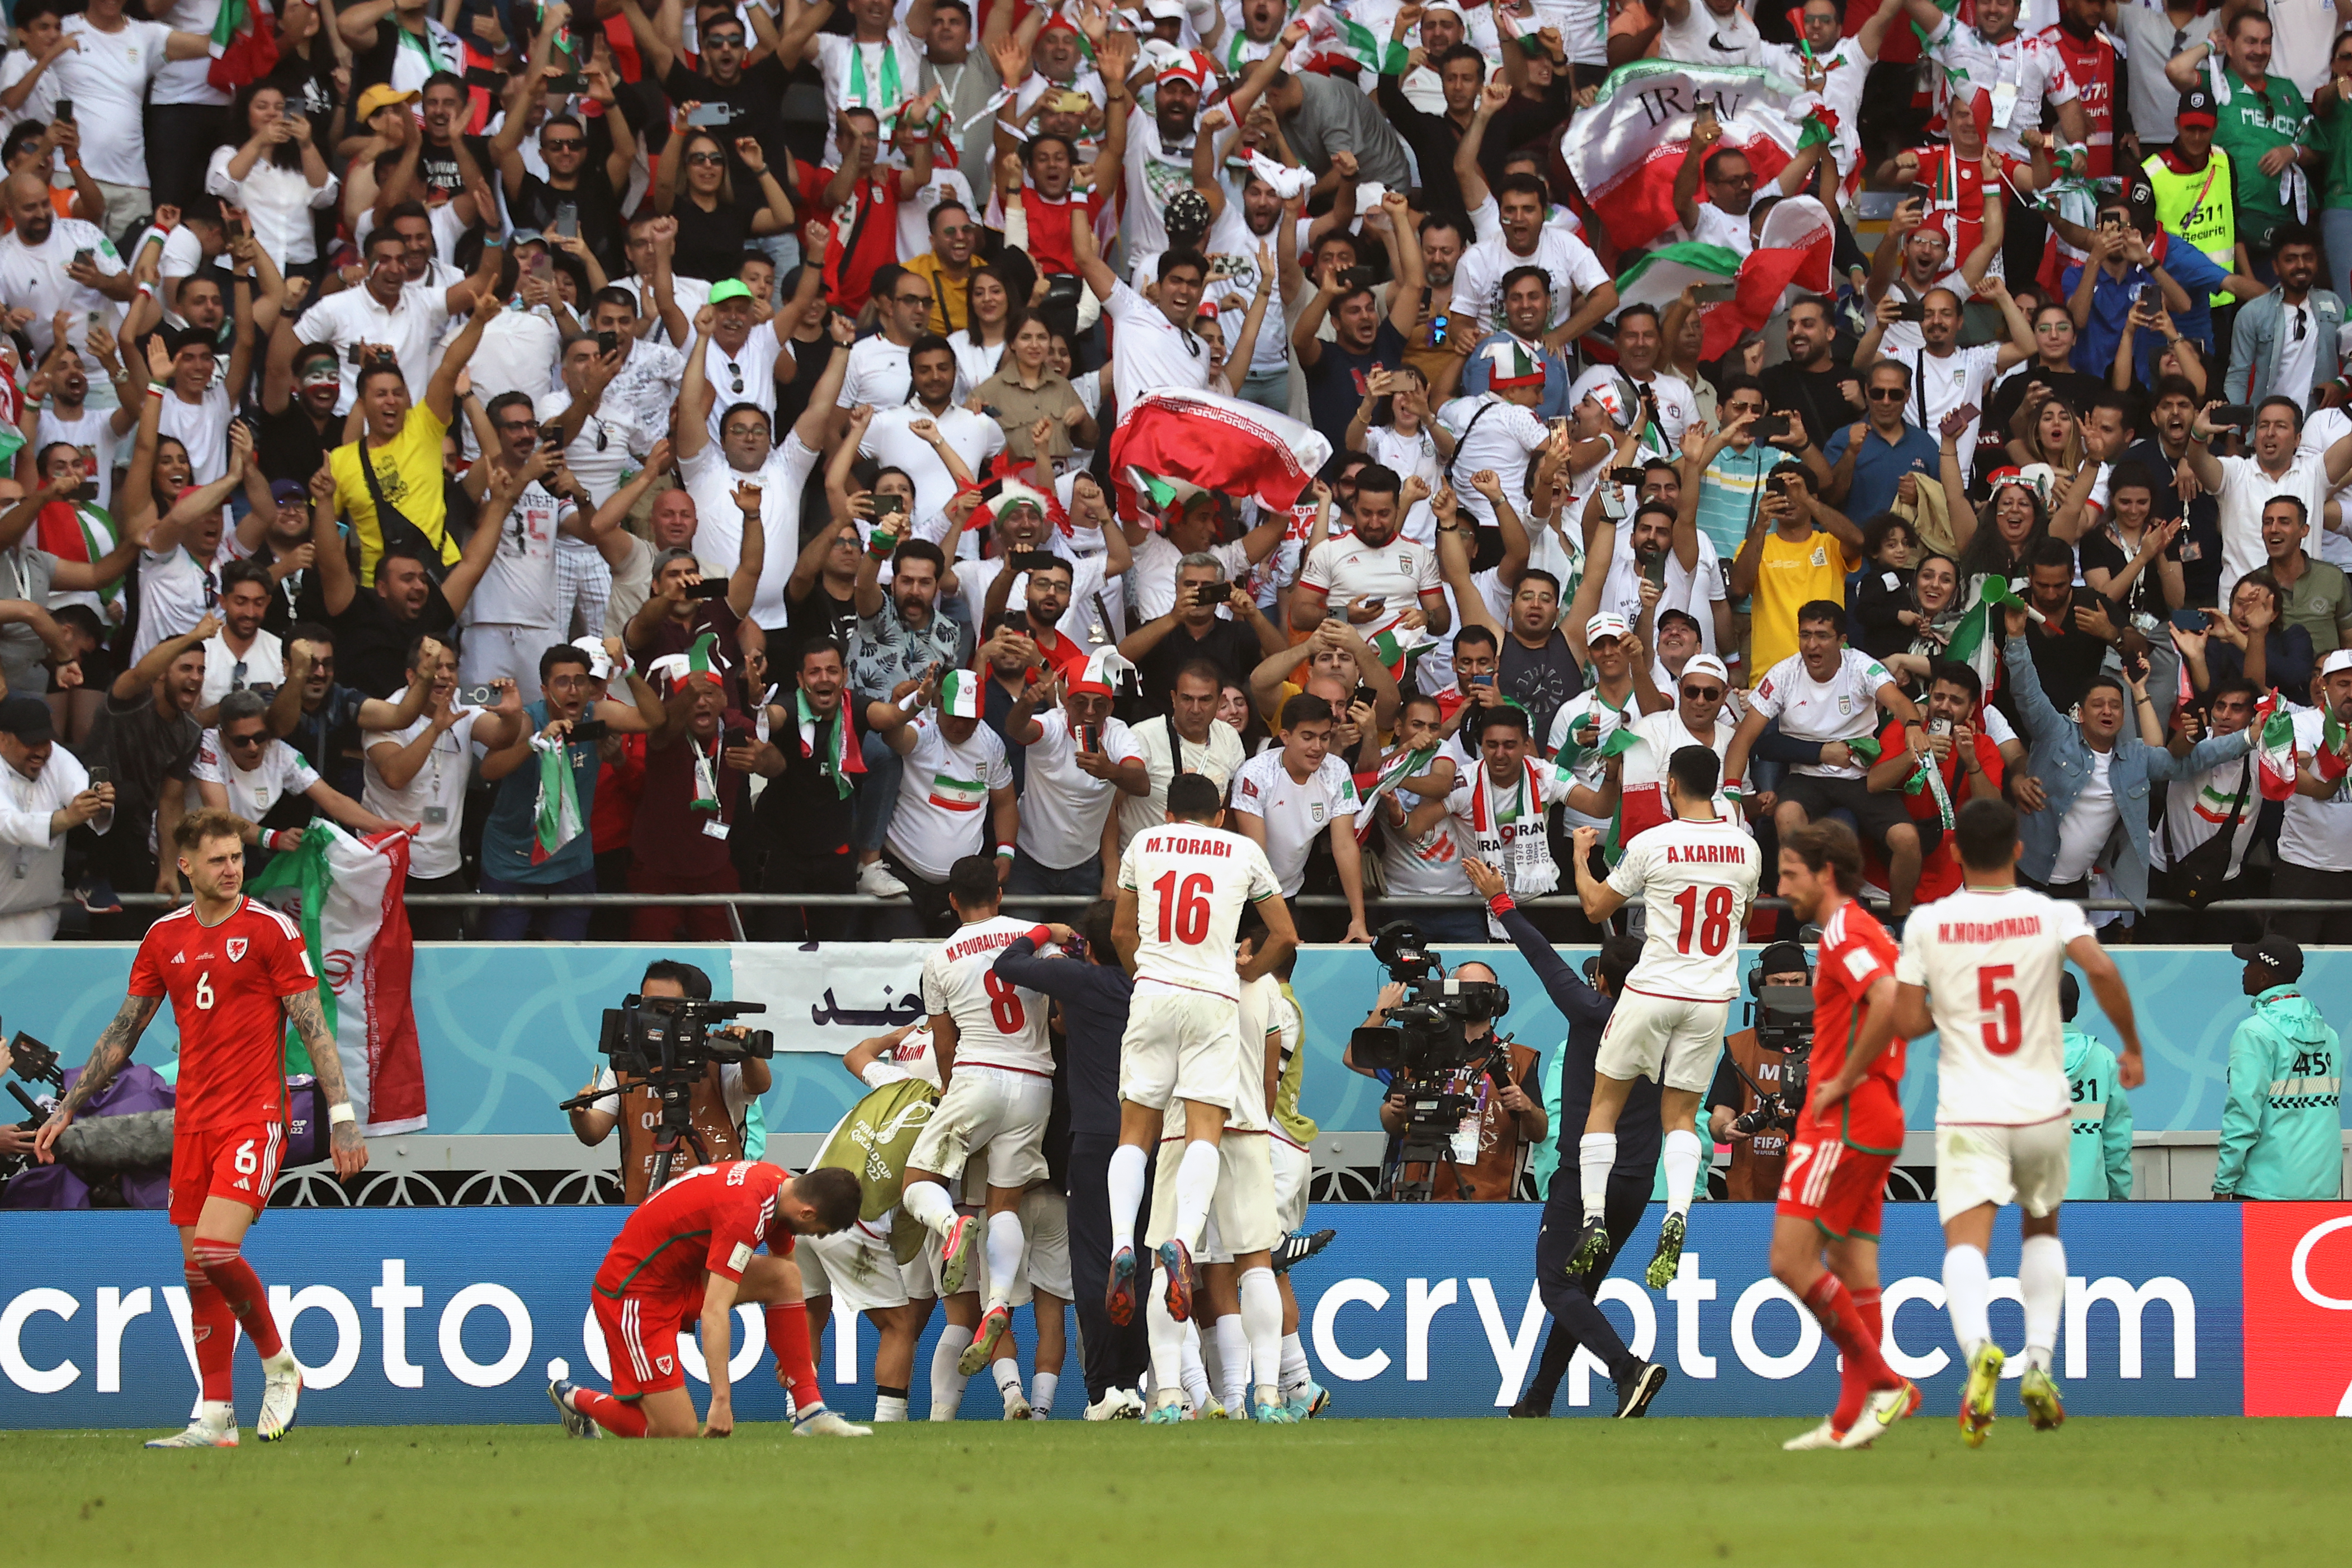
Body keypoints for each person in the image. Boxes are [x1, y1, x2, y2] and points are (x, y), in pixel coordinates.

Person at [33, 807, 365, 1448]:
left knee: (216, 1250)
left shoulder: (271, 929)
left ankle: (280, 1364)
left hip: (254, 1118)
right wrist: (69, 1103)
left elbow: (312, 1024)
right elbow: (124, 1030)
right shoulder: (164, 937)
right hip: (194, 1124)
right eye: (218, 860)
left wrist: (343, 1117)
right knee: (195, 1271)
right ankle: (216, 1415)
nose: (233, 869)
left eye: (237, 857)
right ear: (185, 865)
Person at [1891, 796, 2147, 1446]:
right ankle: (2039, 1360)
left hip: (1971, 1107)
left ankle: (1979, 1347)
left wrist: (1950, 1012)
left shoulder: (1929, 922)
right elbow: (2102, 968)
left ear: (1953, 854)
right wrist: (2133, 1047)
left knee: (1966, 1242)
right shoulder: (2051, 912)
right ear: (2018, 849)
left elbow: (1904, 1021)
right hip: (2041, 1104)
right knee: (2040, 1230)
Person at [1106, 771, 1299, 1423]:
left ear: (1166, 810)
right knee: (1256, 1265)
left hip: (1161, 1042)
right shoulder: (1258, 980)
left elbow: (1122, 932)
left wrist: (1147, 973)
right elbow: (1287, 937)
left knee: (1135, 1136)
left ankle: (1165, 1394)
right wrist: (1250, 964)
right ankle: (1268, 1396)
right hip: (1239, 1123)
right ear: (1219, 813)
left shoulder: (1147, 845)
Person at [1566, 744, 1761, 1288]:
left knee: (1604, 1103)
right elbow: (1743, 909)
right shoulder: (1746, 849)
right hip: (1709, 998)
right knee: (1680, 1116)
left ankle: (1593, 1218)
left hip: (1653, 987)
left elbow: (1596, 908)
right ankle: (1677, 1210)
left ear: (1671, 784)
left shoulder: (1653, 842)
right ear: (1716, 785)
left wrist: (1583, 857)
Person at [1767, 822, 1921, 1451]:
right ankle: (1846, 1425)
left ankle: (1889, 1384)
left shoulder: (1841, 929)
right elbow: (1906, 1006)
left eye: (1790, 874)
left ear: (1825, 872)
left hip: (1846, 1115)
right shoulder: (1872, 930)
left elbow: (1886, 999)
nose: (1782, 888)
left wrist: (1843, 1078)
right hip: (1878, 1112)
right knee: (1853, 1266)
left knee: (1789, 1260)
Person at [549, 1155, 867, 1440]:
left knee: (785, 1278)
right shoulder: (746, 1211)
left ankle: (810, 1411)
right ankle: (573, 1397)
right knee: (677, 1431)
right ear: (808, 1212)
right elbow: (714, 1311)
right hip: (634, 1294)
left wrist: (796, 1360)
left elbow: (784, 1274)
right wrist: (721, 1402)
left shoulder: (777, 1187)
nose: (816, 1237)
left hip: (682, 1278)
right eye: (820, 1231)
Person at [895, 856, 1059, 1386]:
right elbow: (1060, 1011)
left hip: (977, 1076)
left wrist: (952, 1097)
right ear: (1000, 893)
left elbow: (945, 1045)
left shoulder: (939, 957)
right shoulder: (1033, 937)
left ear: (951, 902)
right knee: (1004, 1203)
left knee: (919, 1181)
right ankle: (996, 1304)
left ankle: (950, 1226)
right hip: (1036, 1083)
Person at [991, 902, 1145, 1420]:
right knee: (1140, 1263)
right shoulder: (1152, 987)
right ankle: (1133, 1382)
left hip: (1097, 1140)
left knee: (1096, 1263)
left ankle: (1104, 1390)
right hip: (1150, 1137)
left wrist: (1047, 934)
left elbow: (1006, 965)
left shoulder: (1080, 979)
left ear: (1089, 948)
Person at [2000, 602, 2251, 912]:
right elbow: (2028, 693)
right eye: (2098, 705)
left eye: (2116, 705)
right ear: (2080, 712)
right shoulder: (2057, 733)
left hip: (2076, 889)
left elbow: (2194, 760)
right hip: (2020, 878)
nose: (2108, 711)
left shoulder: (2136, 758)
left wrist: (2250, 738)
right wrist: (2016, 638)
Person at [1727, 603, 1929, 918]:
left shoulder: (1861, 665)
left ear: (1842, 640)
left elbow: (1899, 701)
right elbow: (1744, 739)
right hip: (1807, 775)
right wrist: (1731, 794)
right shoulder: (1784, 673)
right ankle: (1808, 913)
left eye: (1823, 636)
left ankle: (1901, 921)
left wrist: (1913, 727)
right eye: (1805, 635)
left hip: (1860, 775)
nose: (1812, 645)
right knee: (1787, 816)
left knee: (1907, 839)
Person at [474, 639, 664, 941]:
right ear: (545, 690)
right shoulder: (526, 721)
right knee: (502, 958)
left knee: (567, 958)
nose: (573, 690)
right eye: (562, 683)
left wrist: (627, 668)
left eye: (580, 682)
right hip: (513, 861)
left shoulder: (598, 714)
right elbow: (488, 770)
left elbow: (654, 719)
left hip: (571, 862)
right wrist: (534, 744)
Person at [861, 669, 1018, 932]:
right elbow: (895, 737)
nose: (960, 725)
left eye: (970, 719)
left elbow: (1005, 802)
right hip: (902, 878)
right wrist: (907, 705)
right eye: (954, 715)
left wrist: (1006, 852)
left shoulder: (991, 744)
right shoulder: (924, 729)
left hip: (962, 886)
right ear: (939, 704)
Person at [1229, 694, 1373, 943]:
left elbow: (1345, 846)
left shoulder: (1337, 771)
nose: (1318, 747)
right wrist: (1283, 929)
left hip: (1290, 891)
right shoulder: (1255, 774)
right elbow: (1256, 856)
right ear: (1285, 737)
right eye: (1308, 737)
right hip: (1242, 895)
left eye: (1325, 737)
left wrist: (1358, 919)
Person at [2214, 935, 2345, 1200]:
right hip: (2325, 1190)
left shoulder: (2254, 1032)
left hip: (2264, 1191)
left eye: (2249, 964)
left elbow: (2242, 1115)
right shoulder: (2329, 1035)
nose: (2244, 970)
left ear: (2264, 978)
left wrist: (2223, 1184)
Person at [1706, 942, 1812, 1203]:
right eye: (1778, 982)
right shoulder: (1739, 1047)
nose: (1787, 989)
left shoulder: (1833, 1045)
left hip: (1813, 1187)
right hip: (1751, 1196)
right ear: (1760, 986)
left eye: (1795, 981)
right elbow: (1719, 1118)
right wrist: (1725, 1130)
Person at [0, 695, 112, 942]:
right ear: (2, 739)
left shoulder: (56, 757)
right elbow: (7, 824)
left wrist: (100, 802)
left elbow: (82, 792)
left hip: (38, 912)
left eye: (46, 741)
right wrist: (67, 818)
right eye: (32, 742)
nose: (41, 750)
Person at [2058, 972, 2136, 1201]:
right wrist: (2119, 1201)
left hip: (2026, 1211)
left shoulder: (2016, 1061)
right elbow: (2117, 1141)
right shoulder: (2104, 1059)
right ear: (2076, 1009)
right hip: (2091, 1205)